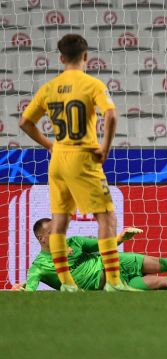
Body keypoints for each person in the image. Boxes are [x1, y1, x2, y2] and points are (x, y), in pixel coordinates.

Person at [18, 34, 133, 291]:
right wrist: (104, 148)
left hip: (58, 159)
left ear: (60, 58)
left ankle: (68, 284)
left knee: (60, 220)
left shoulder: (49, 87)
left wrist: (49, 144)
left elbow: (24, 122)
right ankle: (114, 281)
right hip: (83, 157)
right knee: (106, 217)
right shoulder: (91, 84)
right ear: (85, 57)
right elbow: (111, 115)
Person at [11, 218, 167, 291]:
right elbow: (29, 289)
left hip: (118, 262)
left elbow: (103, 245)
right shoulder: (39, 266)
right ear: (41, 238)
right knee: (161, 283)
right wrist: (18, 289)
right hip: (111, 285)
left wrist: (120, 238)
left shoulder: (75, 242)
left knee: (163, 264)